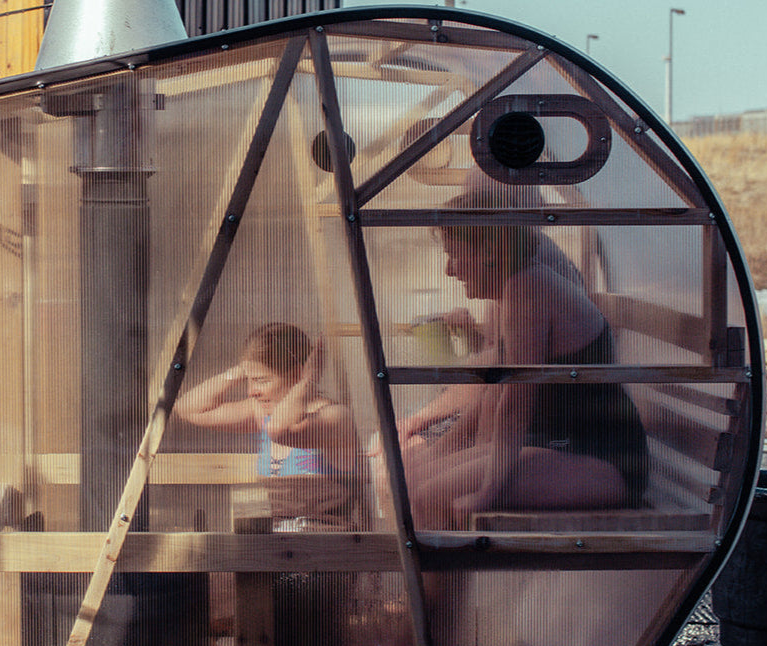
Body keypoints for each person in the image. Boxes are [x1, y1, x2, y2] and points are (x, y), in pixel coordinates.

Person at [401, 189, 648, 529]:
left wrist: (487, 492)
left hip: (606, 465)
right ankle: (424, 584)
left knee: (433, 497)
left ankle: (426, 585)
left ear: (488, 250)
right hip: (564, 451)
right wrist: (440, 452)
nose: (449, 270)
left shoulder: (528, 289)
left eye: (454, 254)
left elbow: (516, 402)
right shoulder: (513, 288)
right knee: (416, 485)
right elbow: (491, 396)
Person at [175, 323, 359, 531]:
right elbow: (188, 409)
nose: (251, 391)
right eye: (249, 380)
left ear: (297, 374)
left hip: (325, 547)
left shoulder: (335, 417)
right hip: (272, 547)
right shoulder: (264, 414)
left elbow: (280, 431)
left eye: (261, 381)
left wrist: (308, 382)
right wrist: (238, 371)